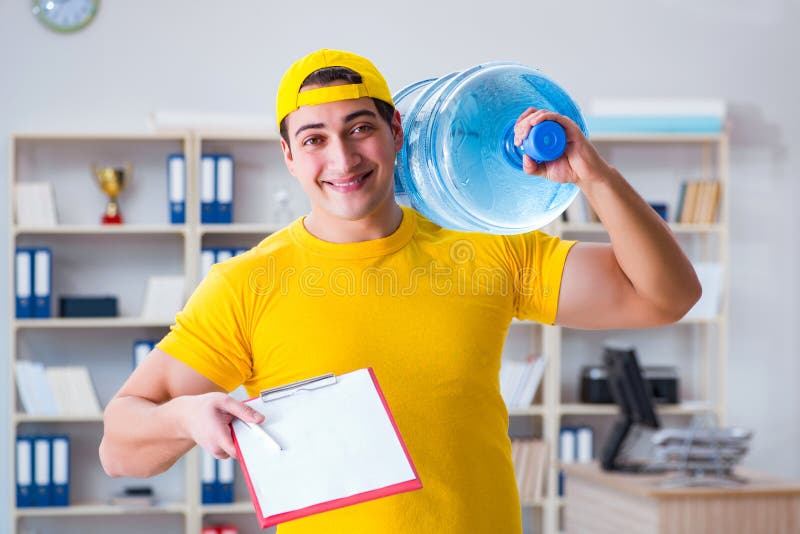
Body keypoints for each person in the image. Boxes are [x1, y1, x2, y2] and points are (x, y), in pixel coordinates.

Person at [99, 49, 700, 533]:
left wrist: (594, 175)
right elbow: (120, 448)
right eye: (314, 139)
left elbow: (664, 295)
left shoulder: (486, 245)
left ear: (396, 130)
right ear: (288, 156)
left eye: (360, 128)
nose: (343, 157)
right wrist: (186, 414)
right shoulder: (248, 283)